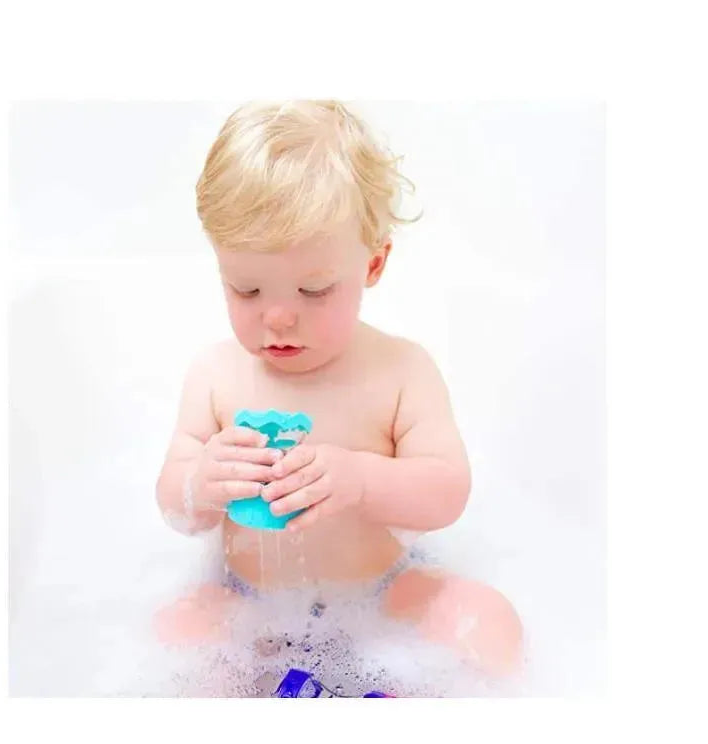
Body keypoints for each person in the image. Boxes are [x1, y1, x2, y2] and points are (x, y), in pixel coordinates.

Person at [154, 99, 523, 677]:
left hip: (382, 593)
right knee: (178, 629)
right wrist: (200, 482)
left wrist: (361, 480)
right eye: (246, 290)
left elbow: (448, 493)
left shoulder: (401, 371)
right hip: (249, 604)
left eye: (314, 291)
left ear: (372, 265)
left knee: (489, 620)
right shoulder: (215, 374)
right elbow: (175, 504)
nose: (278, 317)